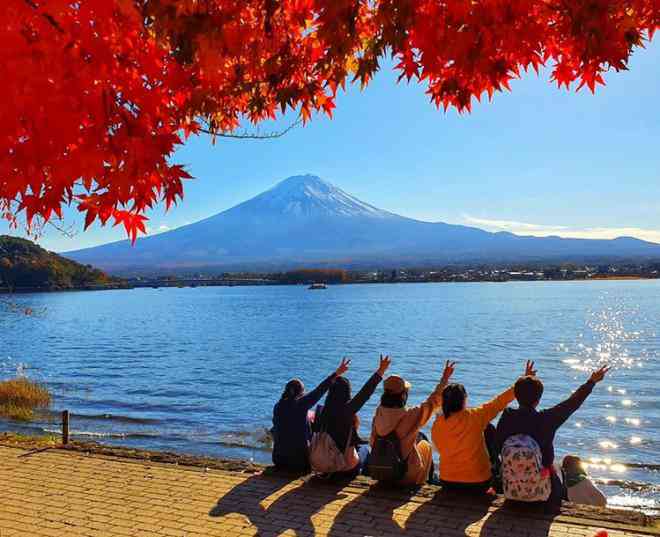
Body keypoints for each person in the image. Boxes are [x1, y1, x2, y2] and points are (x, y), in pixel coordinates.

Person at [495, 364, 610, 506]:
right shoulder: (547, 419)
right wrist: (591, 382)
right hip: (543, 495)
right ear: (538, 400)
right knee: (565, 466)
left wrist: (525, 379)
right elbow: (572, 403)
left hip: (510, 491)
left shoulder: (507, 417)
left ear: (516, 396)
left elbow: (497, 445)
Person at [431, 360, 537, 493]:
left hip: (447, 482)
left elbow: (439, 447)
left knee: (485, 430)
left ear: (444, 402)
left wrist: (444, 379)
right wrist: (524, 380)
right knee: (489, 429)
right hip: (478, 483)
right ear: (464, 399)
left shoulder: (438, 423)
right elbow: (500, 401)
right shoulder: (476, 416)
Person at [370, 360, 456, 486]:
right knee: (426, 445)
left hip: (381, 472)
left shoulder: (379, 412)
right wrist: (445, 378)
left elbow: (372, 441)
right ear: (403, 395)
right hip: (404, 474)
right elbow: (434, 401)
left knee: (418, 436)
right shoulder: (412, 413)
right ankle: (425, 481)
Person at [317, 355, 392, 479]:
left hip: (323, 462)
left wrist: (336, 373)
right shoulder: (347, 410)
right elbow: (365, 392)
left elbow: (319, 389)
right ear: (347, 393)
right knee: (365, 450)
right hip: (343, 467)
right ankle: (363, 478)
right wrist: (381, 371)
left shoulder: (321, 411)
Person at [272, 358, 351, 472]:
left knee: (302, 418)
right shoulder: (300, 404)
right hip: (298, 462)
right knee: (313, 417)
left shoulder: (278, 406)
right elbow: (320, 390)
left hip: (278, 459)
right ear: (301, 393)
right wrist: (337, 373)